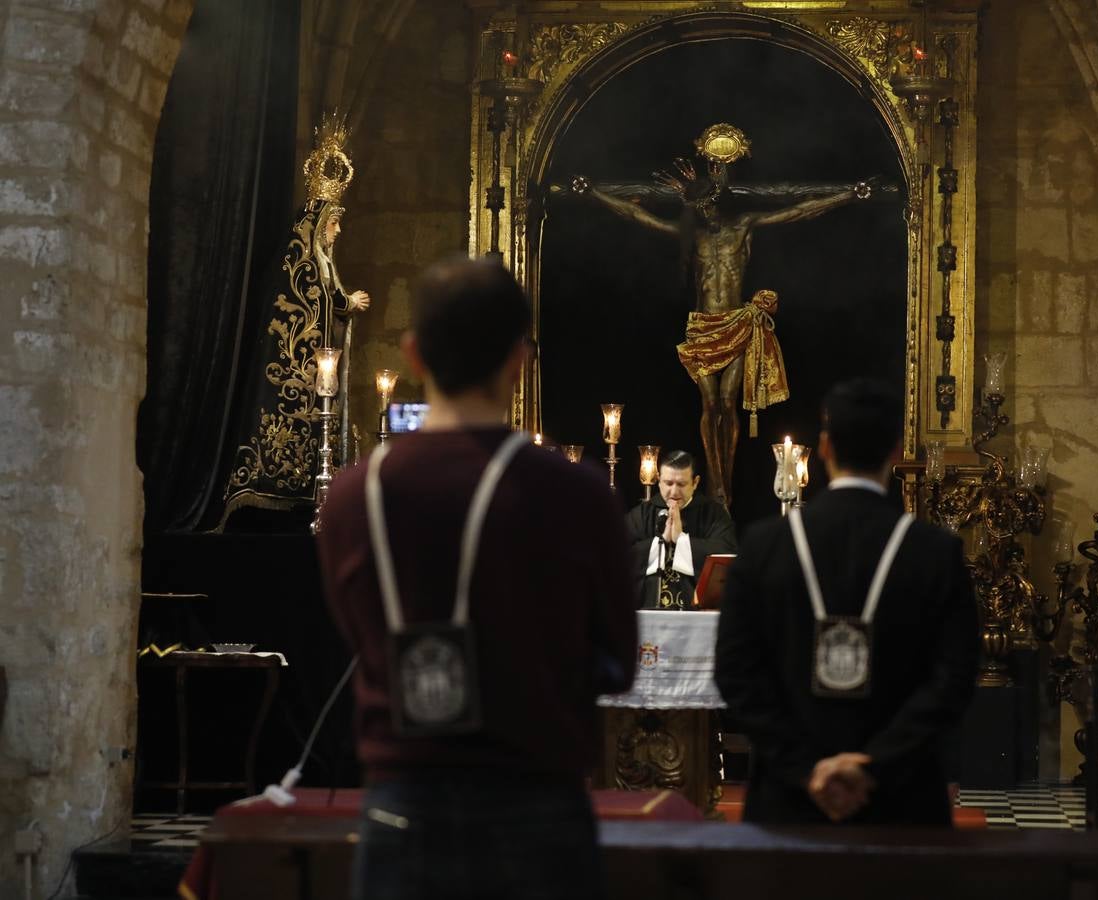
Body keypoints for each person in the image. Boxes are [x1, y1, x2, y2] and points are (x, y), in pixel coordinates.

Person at [316, 257, 636, 899]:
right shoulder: (577, 495)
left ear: (413, 355)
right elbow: (618, 663)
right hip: (537, 810)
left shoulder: (351, 500)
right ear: (520, 358)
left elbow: (358, 640)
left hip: (401, 812)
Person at [714, 378, 978, 826]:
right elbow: (954, 679)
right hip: (902, 805)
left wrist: (804, 769)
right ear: (896, 452)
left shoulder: (764, 546)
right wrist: (875, 765)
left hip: (790, 806)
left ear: (823, 447)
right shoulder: (934, 551)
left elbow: (736, 674)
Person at [575, 123, 875, 506]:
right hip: (703, 328)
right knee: (709, 405)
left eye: (710, 202)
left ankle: (723, 490)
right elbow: (640, 219)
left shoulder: (742, 227)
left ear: (719, 200)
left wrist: (850, 194)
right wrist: (595, 194)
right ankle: (715, 481)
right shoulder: (694, 237)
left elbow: (797, 212)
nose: (706, 210)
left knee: (727, 405)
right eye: (699, 205)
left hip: (735, 324)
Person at [219, 113, 370, 525]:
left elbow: (328, 295)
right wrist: (345, 302)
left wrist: (344, 302)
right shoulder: (299, 260)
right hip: (292, 369)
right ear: (320, 224)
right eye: (335, 223)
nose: (338, 232)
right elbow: (311, 296)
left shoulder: (321, 261)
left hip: (314, 370)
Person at [625, 450, 737, 609]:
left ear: (695, 482)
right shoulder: (641, 515)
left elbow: (726, 554)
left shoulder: (714, 515)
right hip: (648, 612)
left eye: (681, 484)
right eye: (668, 483)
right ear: (659, 481)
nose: (674, 491)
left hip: (697, 614)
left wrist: (681, 540)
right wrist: (660, 542)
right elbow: (618, 556)